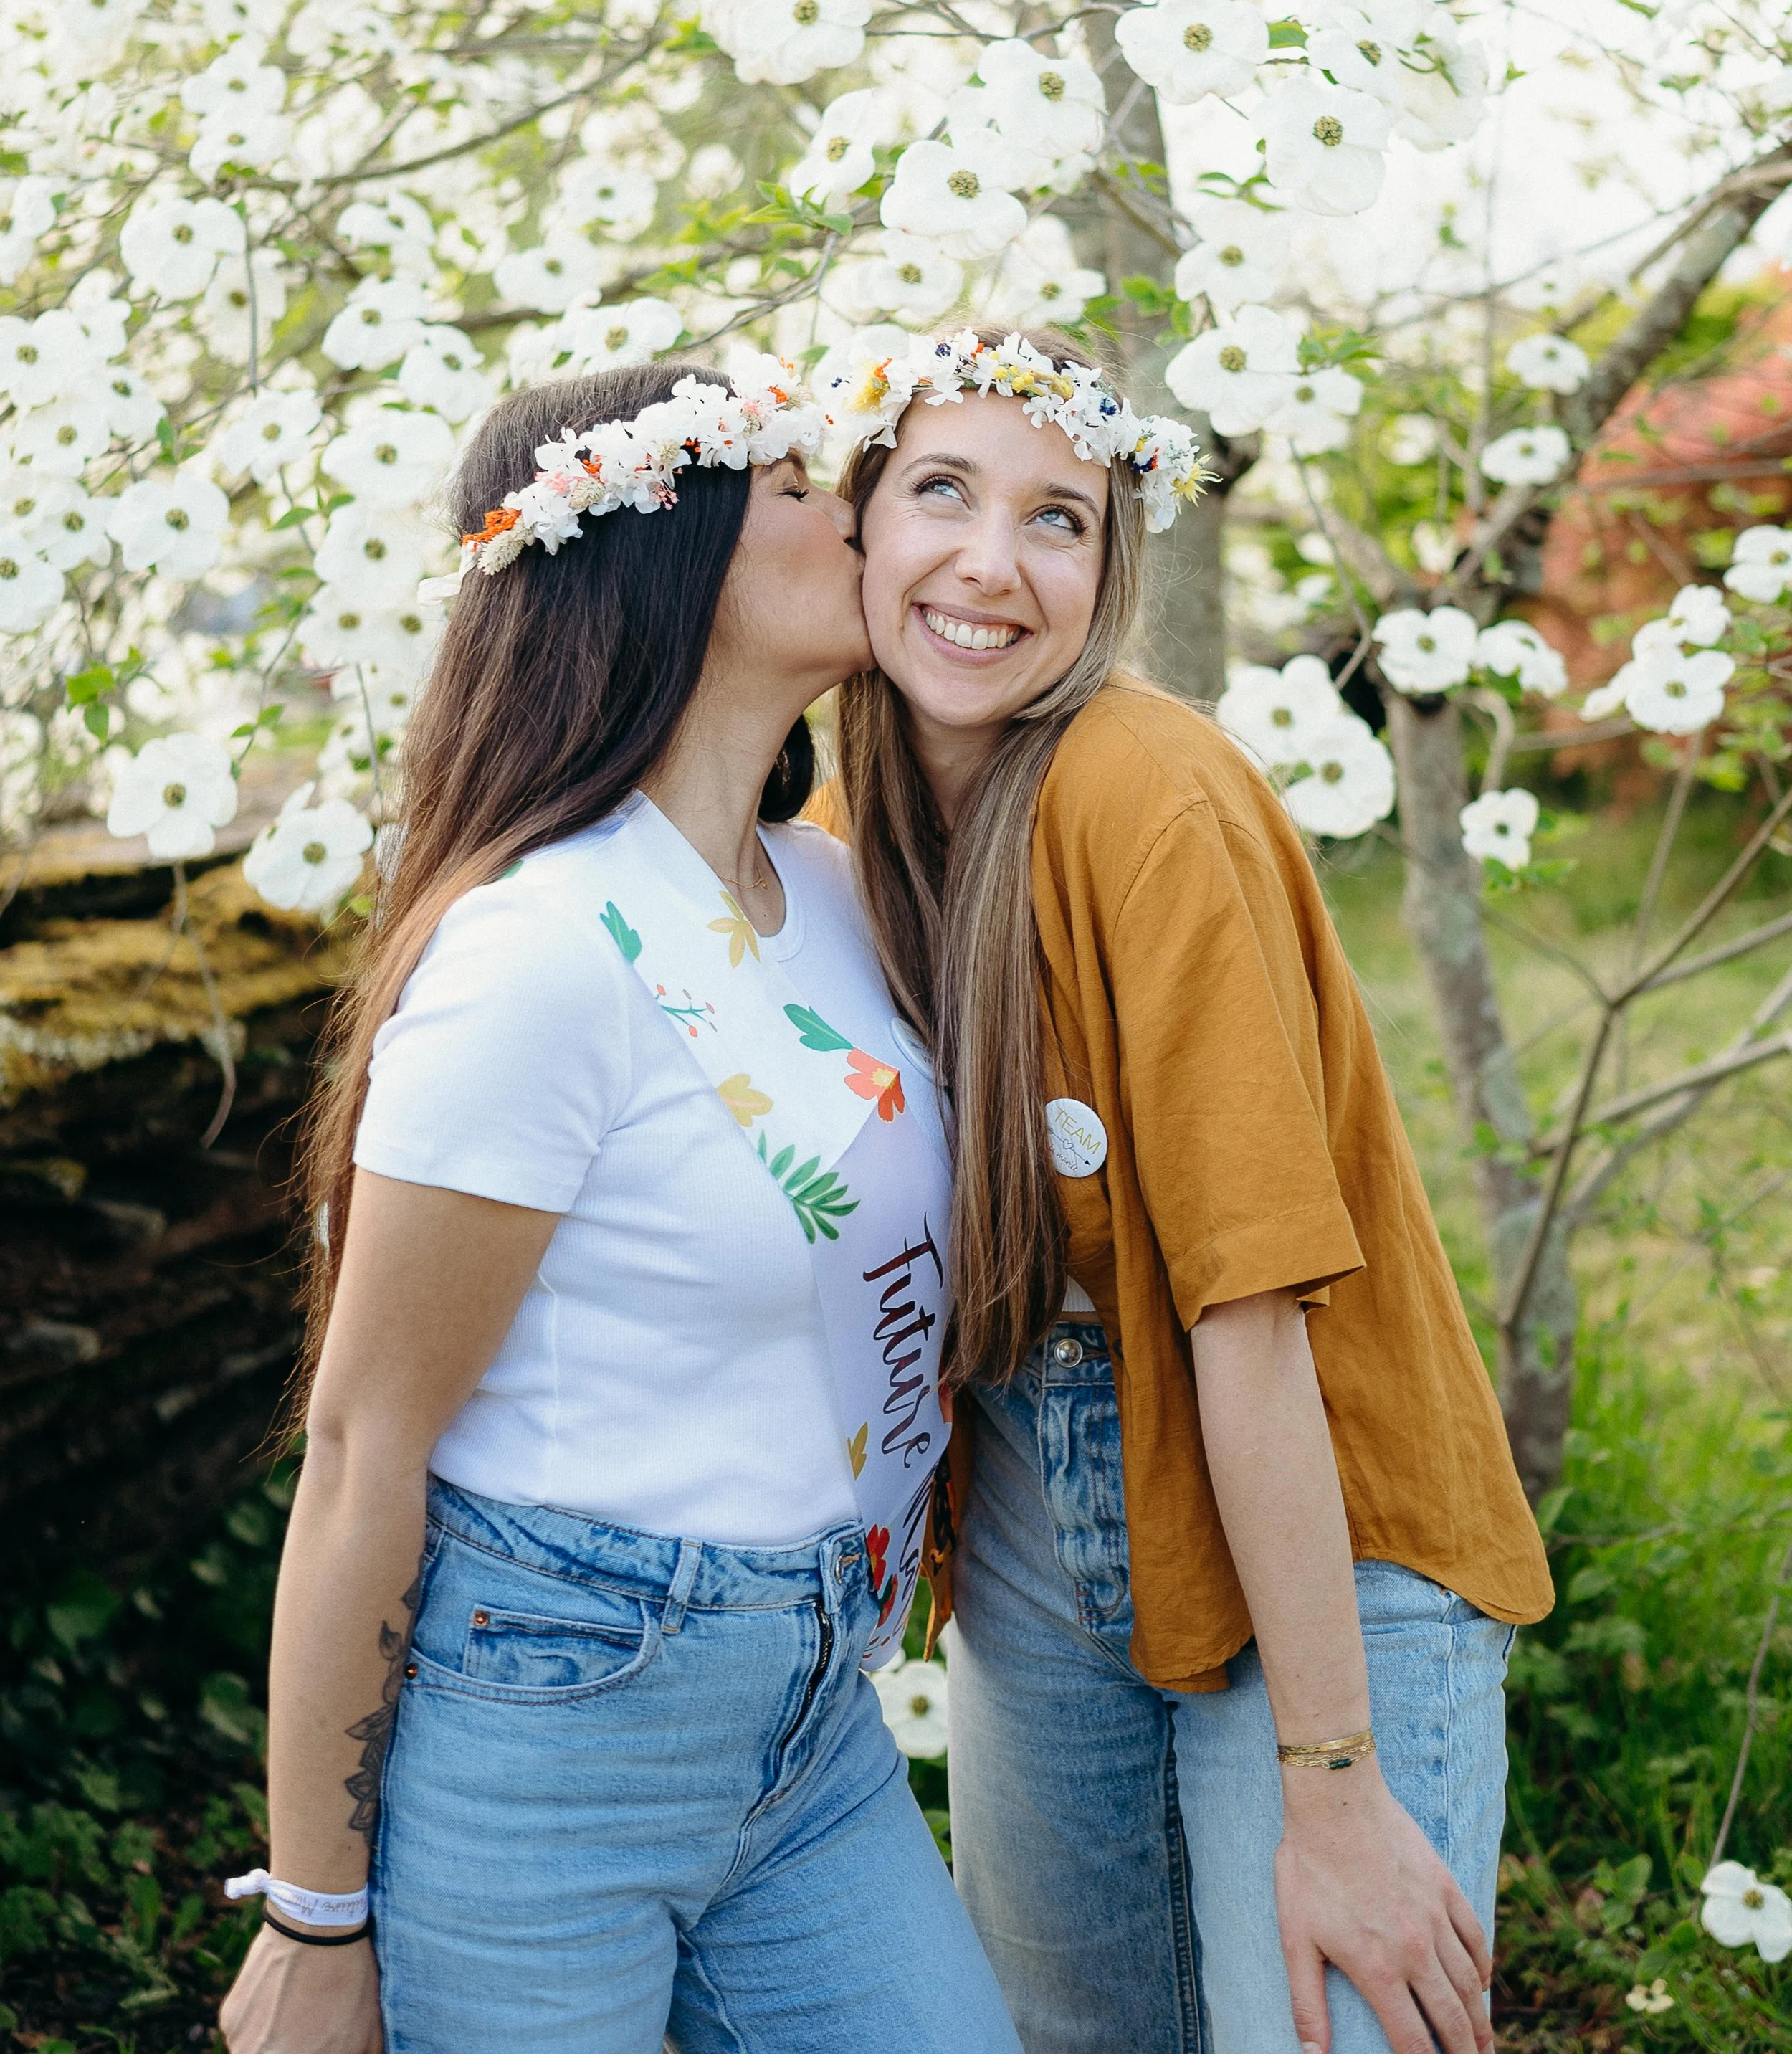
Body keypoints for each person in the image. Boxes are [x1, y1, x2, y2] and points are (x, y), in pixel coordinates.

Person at [219, 358, 1022, 2054]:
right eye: (795, 489)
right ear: (667, 555)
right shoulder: (533, 959)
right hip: (554, 1715)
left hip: (812, 1716)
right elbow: (363, 1442)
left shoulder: (833, 885)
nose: (854, 512)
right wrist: (314, 1914)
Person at [822, 327, 1555, 2054]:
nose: (988, 563)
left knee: (1325, 2018)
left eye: (1056, 517)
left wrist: (1334, 1783)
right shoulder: (852, 820)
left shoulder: (1147, 792)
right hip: (1031, 1491)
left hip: (1310, 1498)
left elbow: (1246, 1311)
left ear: (1111, 567)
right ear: (855, 518)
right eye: (940, 490)